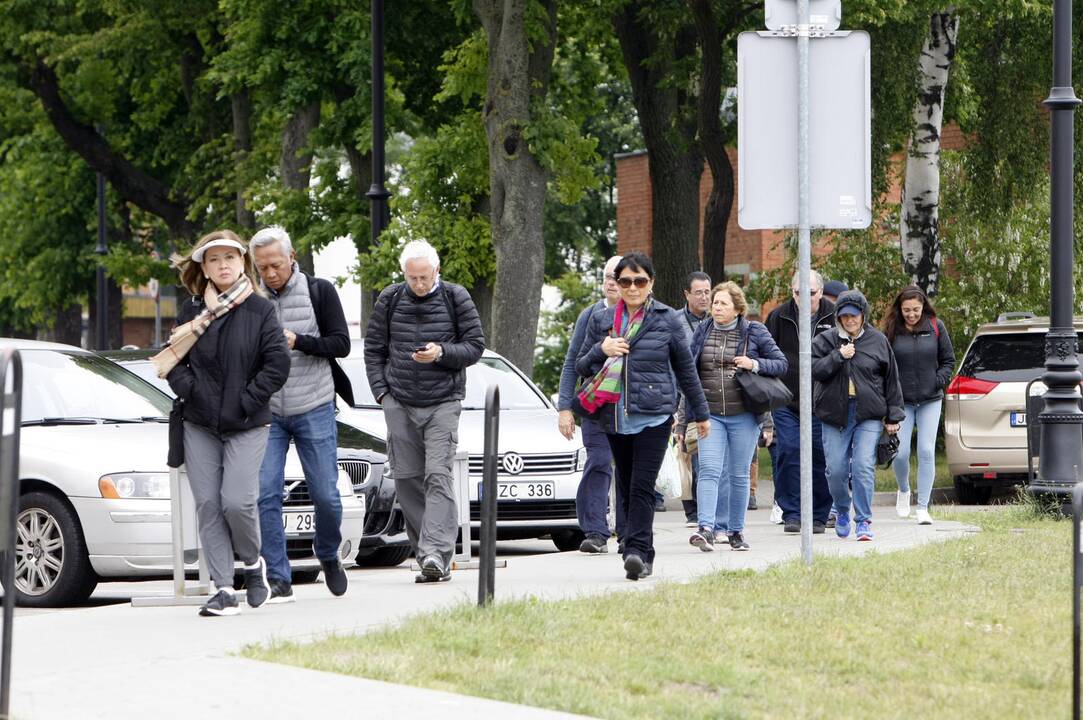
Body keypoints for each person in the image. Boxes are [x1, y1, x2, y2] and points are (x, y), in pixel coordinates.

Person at [153, 230, 290, 617]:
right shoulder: (191, 311)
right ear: (205, 268)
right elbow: (174, 360)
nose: (223, 265)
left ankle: (253, 563)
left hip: (247, 423)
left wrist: (246, 401)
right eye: (214, 259)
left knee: (237, 501)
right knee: (209, 504)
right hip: (199, 422)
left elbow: (276, 366)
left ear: (242, 262)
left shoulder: (261, 310)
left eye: (230, 257)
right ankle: (225, 589)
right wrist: (193, 391)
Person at [576, 252, 710, 580]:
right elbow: (582, 365)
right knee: (624, 481)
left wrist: (700, 412)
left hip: (654, 414)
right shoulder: (602, 320)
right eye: (625, 281)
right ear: (616, 284)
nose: (632, 287)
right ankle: (641, 550)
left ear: (651, 283)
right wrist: (601, 350)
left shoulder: (667, 319)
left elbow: (685, 369)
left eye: (640, 281)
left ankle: (636, 550)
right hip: (614, 416)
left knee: (641, 485)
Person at [364, 240, 485, 583]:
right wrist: (382, 394)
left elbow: (475, 346)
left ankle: (436, 553)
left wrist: (441, 353)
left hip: (443, 401)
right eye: (412, 278)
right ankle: (427, 555)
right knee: (406, 480)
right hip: (398, 400)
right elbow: (374, 350)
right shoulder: (389, 298)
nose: (418, 284)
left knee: (437, 474)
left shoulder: (455, 296)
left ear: (437, 271)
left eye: (424, 277)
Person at [250, 226, 355, 602]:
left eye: (276, 265)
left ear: (292, 258)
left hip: (314, 403)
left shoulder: (319, 291)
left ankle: (327, 554)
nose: (270, 274)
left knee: (327, 494)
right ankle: (278, 576)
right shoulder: (251, 297)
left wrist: (299, 341)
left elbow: (340, 344)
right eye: (262, 268)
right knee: (265, 495)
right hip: (269, 411)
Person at [677, 281, 787, 551]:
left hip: (745, 416)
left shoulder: (754, 331)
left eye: (723, 303)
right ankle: (706, 528)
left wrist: (754, 364)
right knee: (710, 471)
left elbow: (781, 364)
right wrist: (682, 419)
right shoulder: (702, 331)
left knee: (739, 475)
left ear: (738, 308)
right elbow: (689, 376)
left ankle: (736, 531)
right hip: (710, 416)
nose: (717, 307)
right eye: (715, 303)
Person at [812, 289, 905, 541]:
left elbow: (891, 379)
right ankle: (842, 510)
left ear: (863, 315)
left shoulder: (878, 340)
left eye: (854, 316)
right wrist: (837, 356)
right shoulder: (826, 340)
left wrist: (893, 416)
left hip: (869, 414)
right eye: (844, 317)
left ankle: (863, 520)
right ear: (838, 317)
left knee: (863, 466)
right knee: (836, 470)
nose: (849, 320)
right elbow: (811, 369)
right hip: (834, 414)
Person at [557, 255, 623, 553]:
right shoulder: (590, 315)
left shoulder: (645, 316)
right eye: (607, 276)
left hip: (628, 405)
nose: (611, 282)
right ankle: (595, 531)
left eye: (617, 277)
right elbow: (573, 363)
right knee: (598, 461)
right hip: (595, 404)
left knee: (627, 467)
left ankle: (627, 530)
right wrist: (565, 408)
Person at [764, 269, 836, 533]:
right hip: (786, 399)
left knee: (820, 455)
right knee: (789, 452)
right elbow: (765, 353)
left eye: (811, 293)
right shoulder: (778, 316)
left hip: (821, 399)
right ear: (791, 291)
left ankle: (819, 514)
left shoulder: (834, 315)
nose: (804, 298)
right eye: (798, 293)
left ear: (820, 291)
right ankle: (792, 512)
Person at [882, 285, 955, 525]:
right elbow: (883, 366)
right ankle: (904, 490)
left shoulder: (935, 326)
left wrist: (937, 381)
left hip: (930, 399)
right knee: (901, 454)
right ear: (899, 309)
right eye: (906, 310)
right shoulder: (892, 329)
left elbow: (948, 360)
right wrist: (889, 398)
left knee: (925, 451)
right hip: (901, 403)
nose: (911, 314)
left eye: (915, 309)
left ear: (923, 306)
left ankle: (923, 506)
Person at [677, 271, 712, 524]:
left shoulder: (718, 319)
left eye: (707, 292)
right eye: (698, 292)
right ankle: (694, 509)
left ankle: (705, 512)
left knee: (705, 458)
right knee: (688, 456)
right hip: (682, 399)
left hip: (712, 398)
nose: (704, 297)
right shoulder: (675, 322)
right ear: (687, 294)